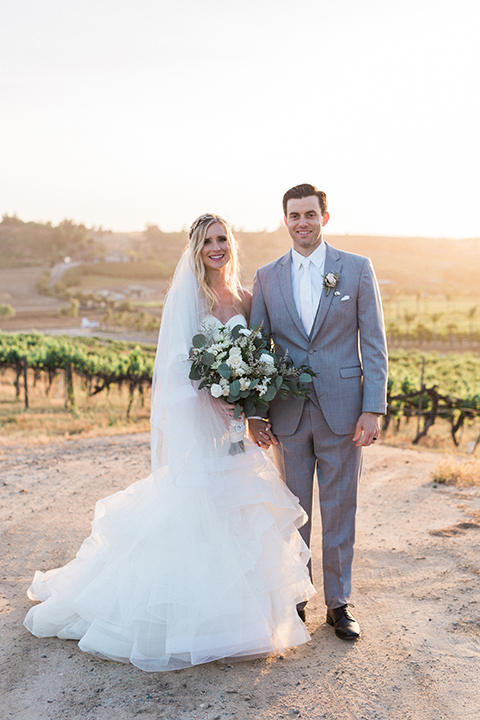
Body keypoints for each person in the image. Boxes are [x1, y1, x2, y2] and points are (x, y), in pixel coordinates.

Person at [24, 213, 315, 672]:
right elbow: (178, 369)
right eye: (207, 242)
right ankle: (191, 618)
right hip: (203, 423)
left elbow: (260, 358)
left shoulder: (244, 297)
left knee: (239, 510)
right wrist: (216, 397)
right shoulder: (187, 298)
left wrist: (248, 403)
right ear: (196, 250)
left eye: (222, 239)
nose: (216, 247)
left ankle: (243, 620)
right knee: (199, 507)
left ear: (231, 245)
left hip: (236, 424)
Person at [248, 184, 388, 640]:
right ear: (284, 220)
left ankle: (339, 604)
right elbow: (256, 351)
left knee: (340, 508)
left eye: (310, 214)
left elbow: (374, 345)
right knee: (292, 512)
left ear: (325, 217)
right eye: (294, 215)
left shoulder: (357, 269)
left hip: (345, 412)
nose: (302, 222)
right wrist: (254, 412)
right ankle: (295, 599)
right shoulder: (267, 277)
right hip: (286, 414)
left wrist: (373, 408)